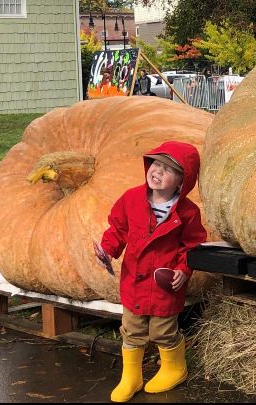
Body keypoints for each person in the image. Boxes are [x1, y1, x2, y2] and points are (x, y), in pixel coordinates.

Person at [94, 141, 206, 402]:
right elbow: (118, 229)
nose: (157, 171)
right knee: (132, 329)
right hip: (135, 279)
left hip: (164, 284)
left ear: (182, 181)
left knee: (162, 330)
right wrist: (108, 250)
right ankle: (131, 376)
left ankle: (175, 368)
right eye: (156, 164)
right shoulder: (131, 199)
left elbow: (191, 245)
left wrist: (183, 269)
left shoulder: (187, 212)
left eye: (167, 169)